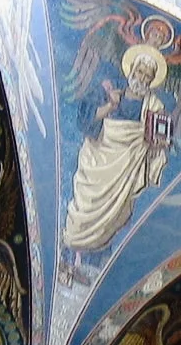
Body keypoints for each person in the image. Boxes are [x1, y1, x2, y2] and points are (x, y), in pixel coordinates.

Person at [61, 45, 173, 260]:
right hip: (97, 158)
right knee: (84, 206)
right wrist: (110, 106)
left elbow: (156, 140)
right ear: (131, 70)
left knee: (115, 214)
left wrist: (157, 146)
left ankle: (95, 258)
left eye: (148, 76)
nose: (142, 78)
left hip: (125, 169)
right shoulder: (108, 90)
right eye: (140, 72)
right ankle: (69, 249)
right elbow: (85, 121)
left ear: (152, 80)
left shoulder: (154, 105)